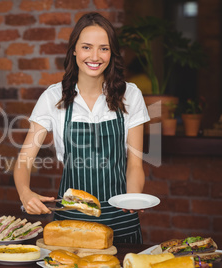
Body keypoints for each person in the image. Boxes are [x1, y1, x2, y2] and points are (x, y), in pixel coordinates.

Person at [14, 12, 150, 243]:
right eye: (87, 47)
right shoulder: (53, 97)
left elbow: (135, 164)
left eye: (103, 48)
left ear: (112, 53)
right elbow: (24, 160)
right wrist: (25, 193)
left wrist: (132, 198)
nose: (95, 56)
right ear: (74, 50)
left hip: (121, 222)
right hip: (69, 223)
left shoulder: (130, 95)